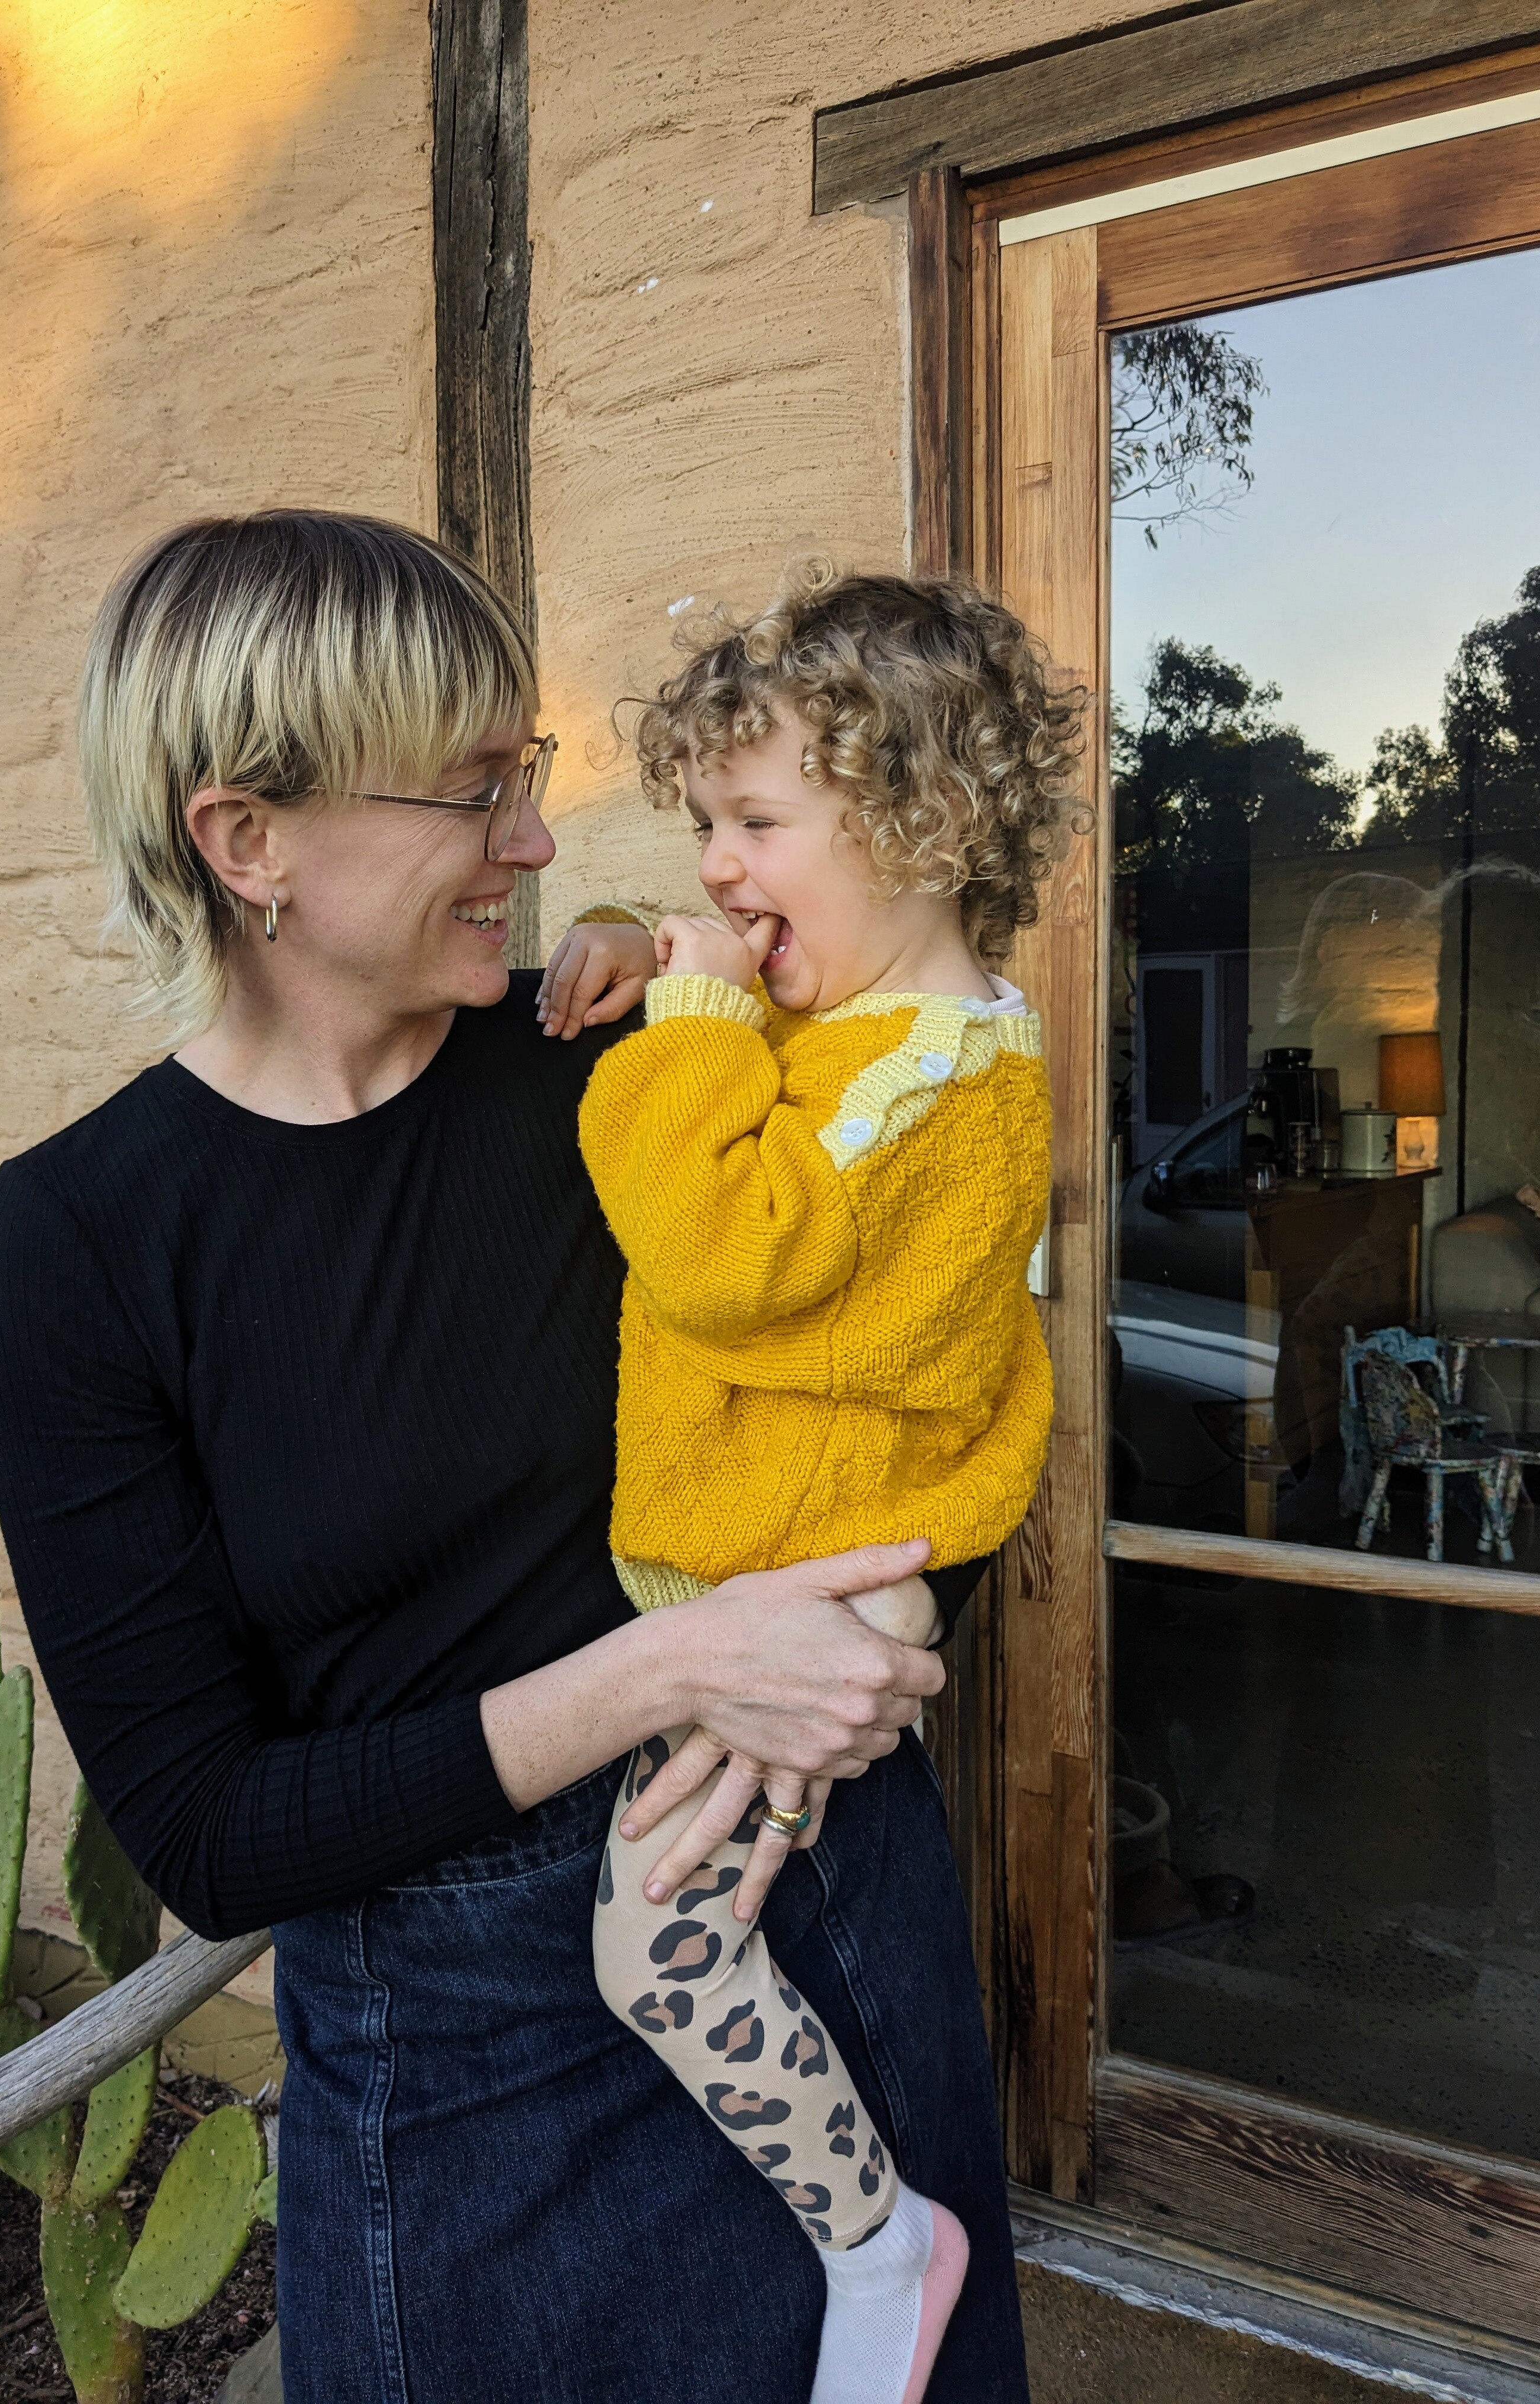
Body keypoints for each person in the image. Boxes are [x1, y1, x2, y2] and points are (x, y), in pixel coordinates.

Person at [0, 512, 1033, 2403]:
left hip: (811, 1925)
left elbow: (910, 1360)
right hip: (460, 2083)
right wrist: (675, 1666)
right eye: (475, 793)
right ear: (248, 841)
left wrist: (877, 1637)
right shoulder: (80, 1242)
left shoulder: (632, 1090)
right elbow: (204, 1831)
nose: (537, 846)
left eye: (523, 780)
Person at [535, 567, 1081, 2404]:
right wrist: (637, 941)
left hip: (777, 1619)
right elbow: (765, 1075)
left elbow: (728, 1247)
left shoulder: (926, 1088)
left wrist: (679, 1032)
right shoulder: (892, 1036)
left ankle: (877, 2245)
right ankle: (873, 2245)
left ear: (920, 823)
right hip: (791, 1603)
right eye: (704, 828)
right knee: (678, 1951)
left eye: (756, 823)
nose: (717, 871)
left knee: (658, 1965)